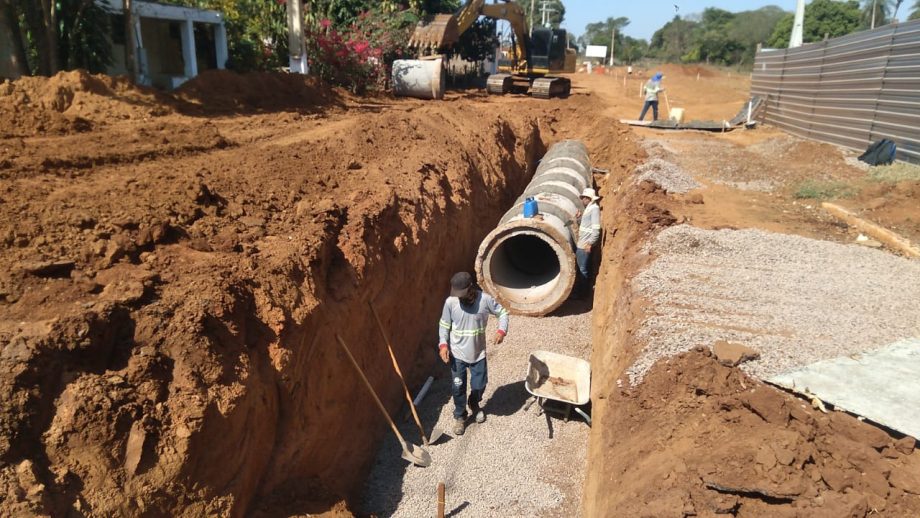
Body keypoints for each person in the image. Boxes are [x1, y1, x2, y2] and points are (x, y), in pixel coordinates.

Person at [438, 272, 509, 436]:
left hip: (478, 354)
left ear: (471, 289)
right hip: (457, 355)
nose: (459, 298)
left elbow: (503, 313)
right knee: (458, 387)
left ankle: (474, 403)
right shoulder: (450, 303)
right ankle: (460, 416)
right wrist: (443, 345)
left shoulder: (485, 300)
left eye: (462, 294)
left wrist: (501, 330)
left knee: (479, 385)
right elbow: (444, 325)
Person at [574, 188, 601, 298]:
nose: (582, 200)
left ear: (588, 198)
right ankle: (580, 292)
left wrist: (590, 243)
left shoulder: (594, 209)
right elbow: (585, 225)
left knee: (582, 270)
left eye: (583, 198)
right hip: (582, 243)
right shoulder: (588, 209)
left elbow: (596, 229)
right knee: (581, 268)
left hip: (585, 245)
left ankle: (583, 295)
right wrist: (579, 218)